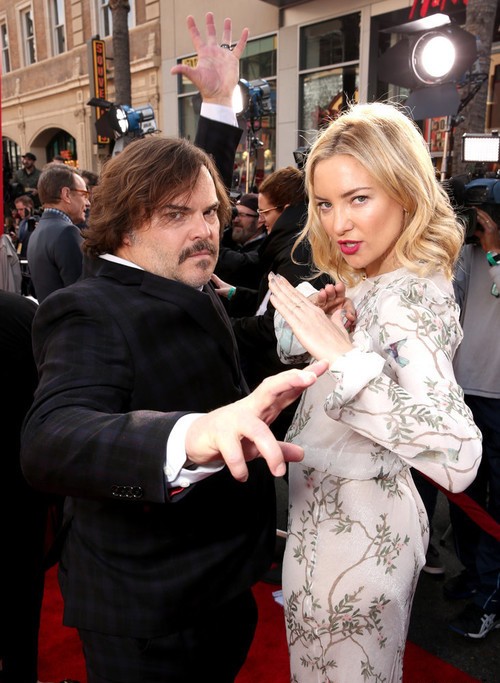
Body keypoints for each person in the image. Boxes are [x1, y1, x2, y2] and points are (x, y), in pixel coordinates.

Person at [20, 14, 328, 683]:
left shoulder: (173, 269)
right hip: (149, 611)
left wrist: (218, 104)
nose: (205, 230)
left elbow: (185, 189)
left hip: (219, 583)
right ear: (124, 229)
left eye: (211, 212)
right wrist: (190, 435)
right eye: (177, 216)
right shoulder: (89, 309)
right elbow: (50, 438)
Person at [266, 101, 483, 683]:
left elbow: (458, 456)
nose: (338, 223)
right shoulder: (373, 283)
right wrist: (330, 330)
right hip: (334, 529)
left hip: (357, 546)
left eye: (358, 198)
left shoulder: (407, 295)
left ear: (406, 194)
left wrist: (342, 355)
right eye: (324, 204)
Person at [213, 165, 333, 439]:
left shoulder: (297, 252)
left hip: (281, 375)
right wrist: (234, 294)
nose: (260, 220)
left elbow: (274, 326)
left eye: (264, 212)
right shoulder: (288, 246)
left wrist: (225, 326)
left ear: (286, 209)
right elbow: (270, 303)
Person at [444, 205, 500, 639]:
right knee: (464, 492)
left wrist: (495, 251)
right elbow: (450, 301)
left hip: (497, 395)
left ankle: (491, 597)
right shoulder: (472, 250)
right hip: (463, 387)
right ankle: (474, 572)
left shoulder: (491, 251)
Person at [0, 291, 48, 683]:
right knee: (21, 597)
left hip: (22, 484)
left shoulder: (21, 315)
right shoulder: (22, 314)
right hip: (22, 485)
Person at [26, 163, 90, 302]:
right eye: (84, 195)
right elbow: (83, 293)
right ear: (66, 194)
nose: (88, 202)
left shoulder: (37, 232)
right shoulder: (67, 232)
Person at [215, 193, 266, 288]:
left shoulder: (265, 248)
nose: (235, 220)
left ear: (260, 220)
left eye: (241, 215)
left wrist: (213, 242)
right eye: (234, 214)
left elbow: (239, 263)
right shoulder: (232, 241)